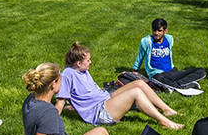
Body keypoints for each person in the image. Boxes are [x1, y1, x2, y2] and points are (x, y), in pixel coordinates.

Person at [56, 42, 184, 130]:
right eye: (88, 60)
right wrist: (52, 120)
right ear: (78, 63)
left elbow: (81, 93)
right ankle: (164, 122)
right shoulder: (67, 75)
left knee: (139, 83)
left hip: (105, 99)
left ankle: (167, 110)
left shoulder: (82, 70)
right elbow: (60, 102)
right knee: (136, 93)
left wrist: (75, 107)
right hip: (100, 112)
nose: (90, 62)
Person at [133, 18, 207, 90]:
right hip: (157, 73)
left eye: (159, 31)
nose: (156, 33)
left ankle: (171, 86)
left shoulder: (169, 39)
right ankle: (181, 86)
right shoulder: (146, 41)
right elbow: (140, 56)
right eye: (154, 30)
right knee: (157, 78)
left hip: (171, 71)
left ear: (165, 31)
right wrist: (135, 70)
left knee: (201, 71)